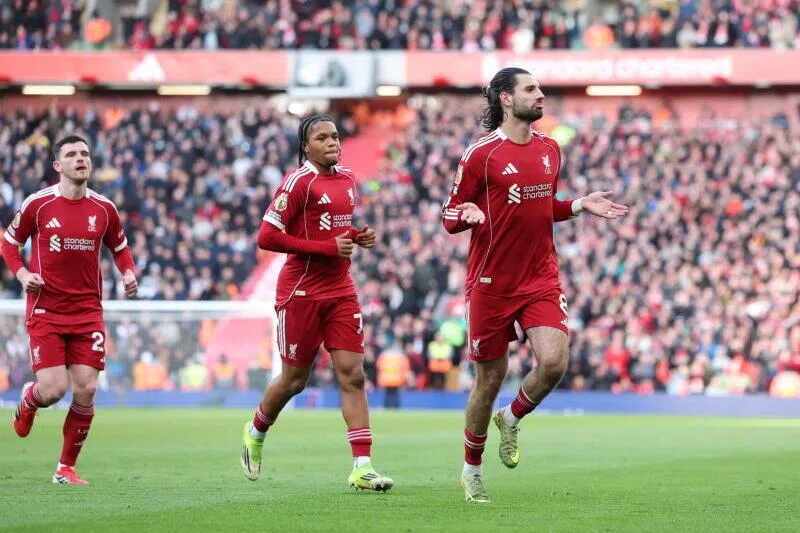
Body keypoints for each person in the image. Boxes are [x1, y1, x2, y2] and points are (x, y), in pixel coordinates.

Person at [441, 67, 629, 503]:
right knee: (488, 380)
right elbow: (449, 215)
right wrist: (464, 216)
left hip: (540, 278)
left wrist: (579, 205)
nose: (541, 95)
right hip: (489, 283)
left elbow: (541, 208)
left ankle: (512, 417)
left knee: (554, 361)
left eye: (540, 88)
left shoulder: (550, 149)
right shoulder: (480, 154)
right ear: (506, 99)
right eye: (531, 89)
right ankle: (471, 470)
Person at [240, 116, 393, 492]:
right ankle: (256, 429)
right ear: (305, 147)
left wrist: (358, 235)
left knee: (353, 374)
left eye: (335, 136)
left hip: (340, 289)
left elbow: (334, 226)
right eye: (322, 137)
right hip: (301, 292)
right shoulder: (297, 184)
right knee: (294, 380)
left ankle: (362, 466)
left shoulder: (347, 179)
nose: (332, 142)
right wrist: (327, 248)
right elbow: (267, 236)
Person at [1, 135, 138, 485]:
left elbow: (119, 248)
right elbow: (9, 243)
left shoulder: (104, 209)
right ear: (57, 166)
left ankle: (65, 467)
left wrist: (128, 272)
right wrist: (21, 274)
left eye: (85, 154)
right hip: (47, 310)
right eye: (72, 155)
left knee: (87, 388)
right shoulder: (39, 205)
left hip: (88, 312)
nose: (81, 159)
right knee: (52, 389)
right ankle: (30, 401)